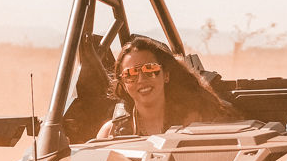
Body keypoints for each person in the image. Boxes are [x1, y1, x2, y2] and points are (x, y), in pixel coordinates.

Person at [96, 36, 237, 138]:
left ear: (166, 76)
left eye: (150, 69)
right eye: (130, 74)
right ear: (123, 85)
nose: (141, 79)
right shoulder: (110, 134)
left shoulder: (198, 121)